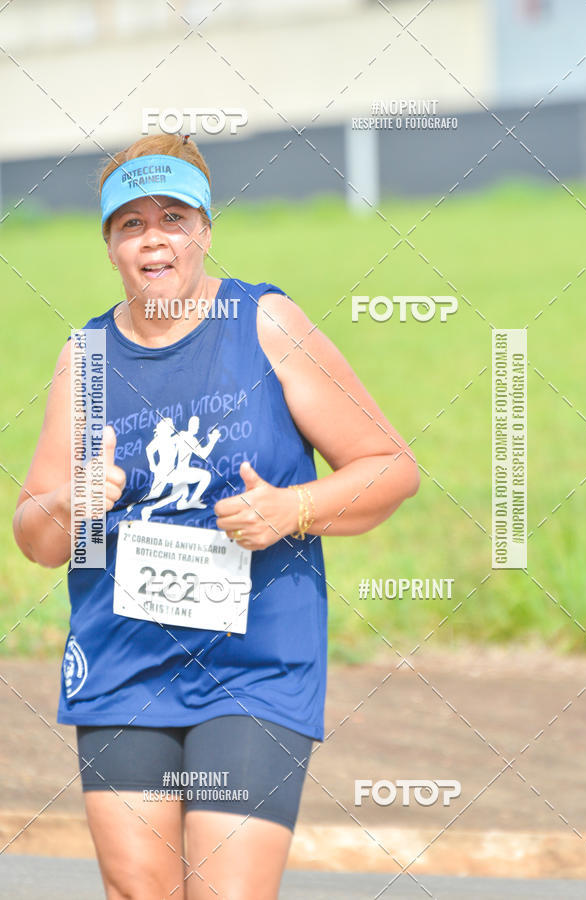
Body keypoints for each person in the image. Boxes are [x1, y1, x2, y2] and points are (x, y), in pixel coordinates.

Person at [12, 133, 420, 900]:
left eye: (173, 217)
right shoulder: (87, 358)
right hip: (123, 664)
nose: (153, 238)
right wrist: (72, 502)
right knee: (140, 891)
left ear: (204, 229)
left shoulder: (265, 323)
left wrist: (292, 508)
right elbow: (36, 535)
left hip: (254, 666)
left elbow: (391, 468)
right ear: (109, 245)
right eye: (131, 223)